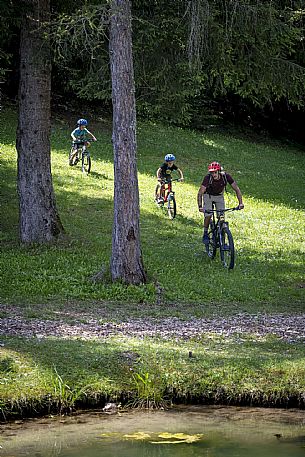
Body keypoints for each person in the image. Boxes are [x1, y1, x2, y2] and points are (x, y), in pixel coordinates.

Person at [197, 161, 244, 244]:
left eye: (215, 172)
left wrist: (240, 203)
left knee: (221, 216)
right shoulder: (208, 178)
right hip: (208, 195)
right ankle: (205, 233)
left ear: (219, 171)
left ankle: (223, 239)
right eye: (212, 173)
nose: (213, 174)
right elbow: (200, 192)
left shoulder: (226, 177)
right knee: (208, 214)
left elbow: (237, 189)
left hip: (219, 196)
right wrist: (200, 206)